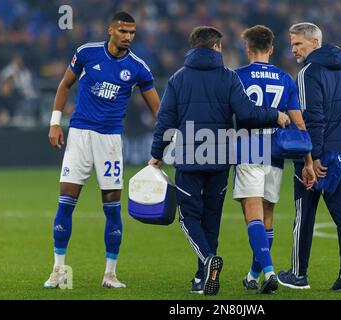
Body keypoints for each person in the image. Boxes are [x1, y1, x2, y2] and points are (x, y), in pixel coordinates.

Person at [148, 26, 290, 296]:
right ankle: (202, 277)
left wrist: (157, 154)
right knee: (212, 218)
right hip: (221, 157)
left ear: (193, 47)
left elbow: (165, 121)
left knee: (188, 217)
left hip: (190, 157)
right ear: (215, 47)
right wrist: (275, 115)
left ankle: (206, 263)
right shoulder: (228, 78)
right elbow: (247, 114)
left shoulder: (178, 79)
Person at [44, 12, 160, 289]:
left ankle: (110, 274)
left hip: (110, 141)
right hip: (80, 136)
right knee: (65, 203)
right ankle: (58, 270)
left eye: (132, 33)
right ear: (111, 30)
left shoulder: (138, 67)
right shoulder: (87, 53)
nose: (128, 37)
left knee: (111, 208)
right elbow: (64, 85)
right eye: (123, 31)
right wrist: (55, 123)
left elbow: (159, 110)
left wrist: (164, 144)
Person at [278, 23, 341, 291]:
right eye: (292, 44)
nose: (293, 49)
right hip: (340, 162)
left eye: (298, 44)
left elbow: (310, 120)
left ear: (315, 43)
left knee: (303, 215)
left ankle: (298, 275)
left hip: (313, 162)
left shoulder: (308, 73)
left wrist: (313, 158)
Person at [232, 25, 315, 294]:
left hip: (248, 148)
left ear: (247, 49)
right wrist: (309, 160)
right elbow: (300, 125)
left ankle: (268, 272)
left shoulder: (237, 77)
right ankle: (253, 274)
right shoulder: (285, 79)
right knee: (267, 214)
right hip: (276, 152)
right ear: (271, 49)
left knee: (252, 214)